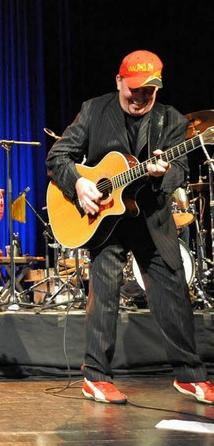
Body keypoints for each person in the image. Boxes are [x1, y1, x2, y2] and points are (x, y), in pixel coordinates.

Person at [46, 50, 214, 404]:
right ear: (119, 81)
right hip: (105, 221)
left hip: (150, 217)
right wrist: (78, 183)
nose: (139, 99)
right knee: (104, 291)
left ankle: (189, 375)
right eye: (133, 90)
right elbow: (57, 156)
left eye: (147, 93)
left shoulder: (171, 120)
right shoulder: (94, 109)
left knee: (172, 291)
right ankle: (96, 376)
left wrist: (165, 175)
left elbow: (181, 171)